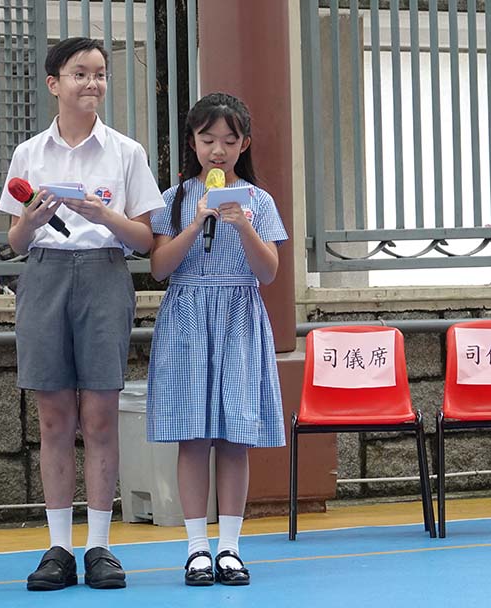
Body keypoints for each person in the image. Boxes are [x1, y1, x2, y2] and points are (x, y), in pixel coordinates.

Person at [0, 37, 165, 591]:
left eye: (99, 74)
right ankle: (57, 548)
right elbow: (15, 241)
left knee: (99, 415)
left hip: (103, 273)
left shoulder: (126, 152)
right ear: (54, 83)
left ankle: (99, 546)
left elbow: (145, 239)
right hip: (45, 273)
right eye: (80, 73)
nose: (92, 83)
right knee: (53, 418)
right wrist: (33, 218)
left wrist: (103, 215)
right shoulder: (29, 153)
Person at [146, 92, 288, 587]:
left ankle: (230, 547)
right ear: (192, 142)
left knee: (233, 436)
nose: (218, 150)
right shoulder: (175, 198)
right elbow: (159, 267)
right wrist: (197, 222)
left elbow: (268, 272)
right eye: (208, 139)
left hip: (238, 317)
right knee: (193, 435)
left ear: (244, 144)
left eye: (229, 140)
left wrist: (242, 225)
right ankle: (196, 548)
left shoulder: (258, 201)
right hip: (188, 316)